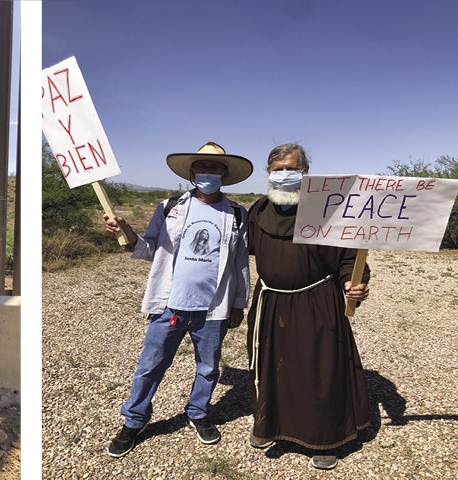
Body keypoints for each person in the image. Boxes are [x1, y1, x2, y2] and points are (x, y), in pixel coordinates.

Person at [103, 142, 253, 457]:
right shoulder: (169, 207)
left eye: (215, 168)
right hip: (170, 305)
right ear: (191, 171)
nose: (208, 173)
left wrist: (239, 303)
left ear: (225, 174)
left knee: (209, 367)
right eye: (202, 167)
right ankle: (135, 419)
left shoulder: (237, 214)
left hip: (214, 309)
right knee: (150, 365)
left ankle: (198, 412)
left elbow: (240, 263)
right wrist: (127, 231)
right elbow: (148, 250)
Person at [245, 143, 371, 470]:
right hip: (270, 302)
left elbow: (349, 257)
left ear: (305, 173)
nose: (284, 175)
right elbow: (237, 255)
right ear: (269, 173)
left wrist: (352, 282)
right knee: (272, 367)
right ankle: (269, 425)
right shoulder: (257, 211)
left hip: (315, 302)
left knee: (320, 370)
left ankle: (325, 437)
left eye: (292, 169)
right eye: (278, 169)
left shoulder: (327, 210)